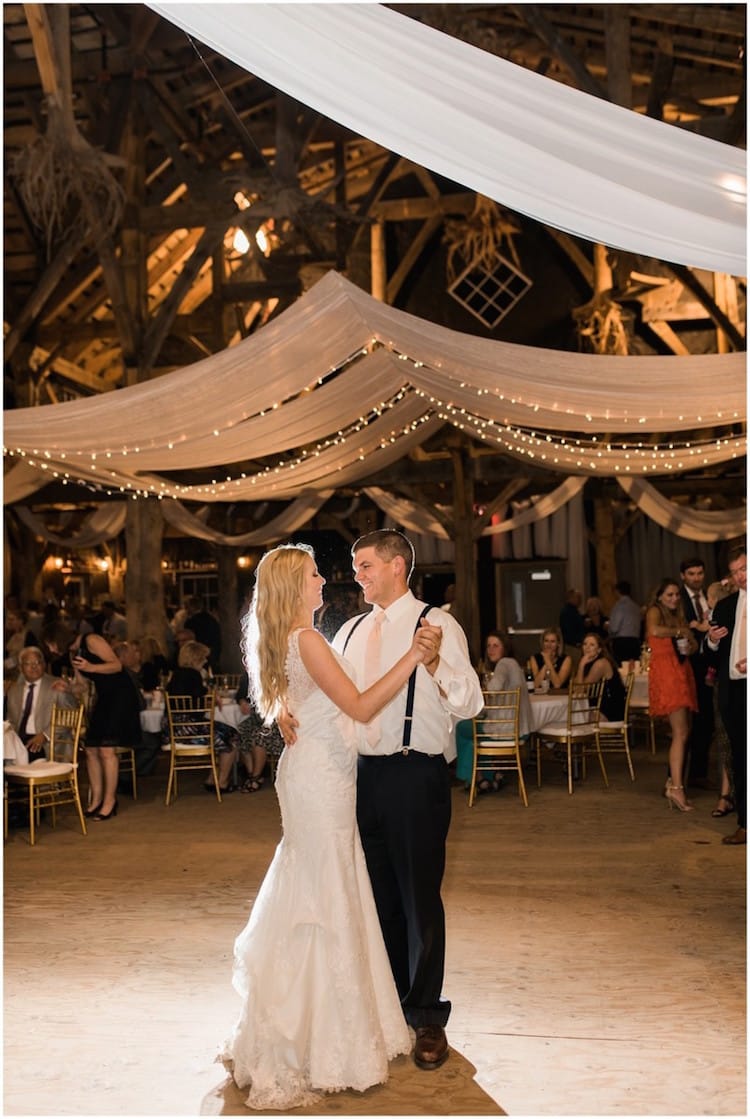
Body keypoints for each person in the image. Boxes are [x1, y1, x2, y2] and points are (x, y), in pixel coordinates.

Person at [221, 542, 440, 1109]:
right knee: (323, 893)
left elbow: (289, 702)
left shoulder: (288, 642)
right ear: (297, 585)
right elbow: (362, 706)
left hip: (319, 776)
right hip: (320, 782)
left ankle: (311, 1025)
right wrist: (414, 658)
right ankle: (318, 1039)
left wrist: (288, 712)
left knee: (316, 887)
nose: (325, 581)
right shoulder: (309, 640)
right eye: (316, 574)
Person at [328, 530, 483, 1072]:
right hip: (360, 777)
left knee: (419, 899)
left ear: (397, 565)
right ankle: (391, 1004)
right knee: (378, 898)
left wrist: (438, 665)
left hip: (416, 774)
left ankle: (426, 1016)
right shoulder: (348, 629)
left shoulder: (436, 624)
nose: (358, 575)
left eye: (366, 565)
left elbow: (470, 702)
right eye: (355, 566)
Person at [69, 629, 143, 820]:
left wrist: (91, 666)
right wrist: (67, 687)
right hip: (105, 697)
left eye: (52, 645)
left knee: (106, 751)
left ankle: (110, 801)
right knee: (91, 749)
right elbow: (82, 685)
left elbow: (117, 665)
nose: (52, 650)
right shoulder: (74, 653)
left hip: (121, 695)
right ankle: (96, 799)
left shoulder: (91, 639)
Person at [455, 629, 532, 792]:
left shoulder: (504, 664)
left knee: (462, 728)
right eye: (489, 646)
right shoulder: (515, 665)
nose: (491, 649)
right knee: (474, 737)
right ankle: (487, 777)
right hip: (520, 728)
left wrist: (481, 687)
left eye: (496, 645)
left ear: (505, 647)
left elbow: (493, 689)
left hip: (506, 729)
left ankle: (473, 778)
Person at [645, 578, 698, 813]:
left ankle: (674, 783)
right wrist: (681, 631)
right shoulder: (655, 611)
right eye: (669, 595)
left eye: (677, 594)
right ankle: (676, 786)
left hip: (681, 669)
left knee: (684, 731)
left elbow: (693, 643)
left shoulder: (679, 615)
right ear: (659, 596)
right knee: (680, 731)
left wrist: (690, 643)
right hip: (667, 673)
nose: (674, 598)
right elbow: (654, 631)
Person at [706, 546, 747, 845]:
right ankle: (745, 824)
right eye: (735, 572)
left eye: (744, 569)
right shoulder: (725, 606)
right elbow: (711, 655)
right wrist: (710, 640)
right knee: (741, 758)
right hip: (733, 691)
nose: (740, 576)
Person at [166, 640, 238, 792]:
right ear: (196, 658)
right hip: (190, 728)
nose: (206, 661)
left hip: (173, 729)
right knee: (232, 735)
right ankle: (222, 781)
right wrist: (211, 696)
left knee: (222, 734)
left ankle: (212, 779)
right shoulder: (193, 675)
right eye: (203, 657)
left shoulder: (174, 676)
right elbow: (198, 704)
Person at [678, 557, 714, 789]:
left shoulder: (707, 598)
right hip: (685, 666)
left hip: (707, 668)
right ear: (683, 576)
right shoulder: (678, 599)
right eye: (691, 574)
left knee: (706, 721)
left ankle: (698, 774)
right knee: (684, 726)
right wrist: (694, 627)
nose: (696, 578)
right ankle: (676, 776)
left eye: (699, 573)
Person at [5, 646, 75, 760]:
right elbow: (11, 721)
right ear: (20, 668)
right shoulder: (14, 690)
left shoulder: (57, 685)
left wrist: (45, 735)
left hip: (47, 742)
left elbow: (68, 716)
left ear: (44, 664)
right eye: (28, 663)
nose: (34, 667)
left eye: (38, 662)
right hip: (19, 741)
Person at [704, 581, 734, 819]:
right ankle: (726, 795)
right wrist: (711, 640)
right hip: (724, 685)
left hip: (730, 683)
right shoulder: (717, 616)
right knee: (725, 741)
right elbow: (712, 651)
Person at [234, 669, 284, 793]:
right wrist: (242, 701)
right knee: (241, 730)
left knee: (259, 735)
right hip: (258, 717)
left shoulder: (278, 672)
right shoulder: (250, 672)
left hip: (276, 719)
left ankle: (255, 777)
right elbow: (240, 693)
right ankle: (253, 775)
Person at [574, 633, 626, 722]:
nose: (587, 647)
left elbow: (580, 691)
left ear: (599, 650)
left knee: (574, 717)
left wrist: (581, 665)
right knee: (571, 715)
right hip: (595, 707)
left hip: (609, 710)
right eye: (585, 644)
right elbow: (574, 689)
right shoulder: (587, 663)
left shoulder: (601, 663)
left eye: (592, 645)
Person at [608, 581, 642, 666]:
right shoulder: (636, 606)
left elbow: (614, 628)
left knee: (622, 668)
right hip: (635, 642)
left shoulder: (619, 606)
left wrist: (608, 628)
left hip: (621, 643)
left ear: (617, 591)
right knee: (634, 668)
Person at [184, 595, 221, 672]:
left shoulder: (191, 623)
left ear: (191, 607)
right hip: (212, 654)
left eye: (187, 607)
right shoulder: (212, 620)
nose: (186, 609)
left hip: (196, 656)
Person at [559, 588, 585, 658]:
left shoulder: (574, 612)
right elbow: (568, 630)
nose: (580, 600)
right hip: (572, 647)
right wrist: (576, 643)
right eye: (578, 597)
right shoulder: (568, 612)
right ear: (570, 598)